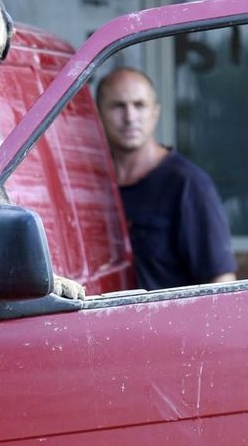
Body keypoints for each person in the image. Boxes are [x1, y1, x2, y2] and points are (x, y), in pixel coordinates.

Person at [96, 67, 237, 289]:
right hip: (99, 322)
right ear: (98, 114)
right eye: (118, 106)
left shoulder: (188, 184)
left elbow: (222, 282)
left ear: (155, 112)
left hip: (169, 323)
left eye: (139, 105)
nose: (130, 117)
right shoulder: (89, 185)